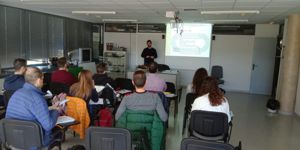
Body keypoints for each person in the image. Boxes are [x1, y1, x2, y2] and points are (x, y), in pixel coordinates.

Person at [5, 67, 62, 146]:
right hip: (35, 141)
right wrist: (56, 110)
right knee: (59, 130)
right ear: (38, 80)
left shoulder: (17, 93)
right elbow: (48, 126)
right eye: (43, 78)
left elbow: (29, 111)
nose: (43, 81)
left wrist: (49, 108)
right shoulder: (37, 98)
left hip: (13, 139)